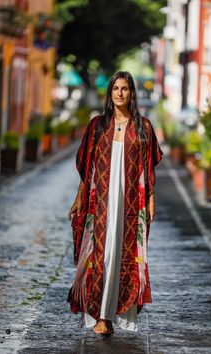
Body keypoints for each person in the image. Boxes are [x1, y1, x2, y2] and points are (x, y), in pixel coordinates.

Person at [67, 71, 163, 335]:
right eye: (116, 89)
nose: (120, 93)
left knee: (124, 256)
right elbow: (88, 170)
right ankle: (101, 316)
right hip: (100, 204)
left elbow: (148, 168)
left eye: (125, 89)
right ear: (109, 93)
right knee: (101, 255)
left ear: (131, 93)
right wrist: (78, 199)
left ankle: (112, 314)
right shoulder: (98, 125)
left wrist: (151, 201)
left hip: (131, 205)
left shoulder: (143, 127)